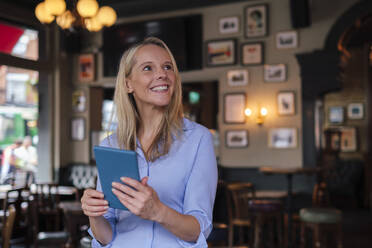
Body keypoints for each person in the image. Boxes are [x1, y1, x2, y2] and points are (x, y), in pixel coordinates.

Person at [81, 37, 218, 247]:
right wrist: (94, 214)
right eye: (148, 68)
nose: (162, 74)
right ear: (128, 84)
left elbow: (198, 229)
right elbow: (106, 237)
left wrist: (158, 211)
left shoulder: (198, 139)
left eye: (167, 67)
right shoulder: (111, 144)